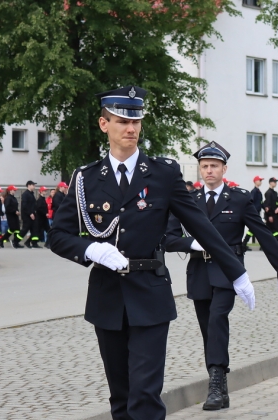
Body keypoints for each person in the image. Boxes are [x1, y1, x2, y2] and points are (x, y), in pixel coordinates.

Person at [49, 85, 251, 419]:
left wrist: (237, 271)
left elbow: (201, 225)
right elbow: (58, 235)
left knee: (145, 395)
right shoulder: (85, 178)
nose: (130, 129)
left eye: (136, 122)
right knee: (121, 396)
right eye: (121, 122)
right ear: (104, 125)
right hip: (107, 295)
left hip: (150, 291)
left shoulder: (162, 173)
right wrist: (92, 250)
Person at [163, 141, 278, 411]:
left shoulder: (239, 198)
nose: (209, 171)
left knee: (217, 320)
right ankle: (220, 386)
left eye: (214, 166)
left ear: (224, 168)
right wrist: (191, 244)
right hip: (198, 270)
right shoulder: (189, 200)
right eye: (204, 166)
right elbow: (169, 238)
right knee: (206, 328)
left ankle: (215, 381)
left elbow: (264, 235)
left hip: (227, 272)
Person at [264, 177, 278, 249]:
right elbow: (267, 205)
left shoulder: (274, 193)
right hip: (272, 215)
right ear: (270, 183)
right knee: (273, 230)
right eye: (274, 182)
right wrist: (269, 215)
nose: (275, 183)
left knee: (277, 230)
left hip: (276, 215)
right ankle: (276, 244)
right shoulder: (268, 193)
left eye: (276, 182)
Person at [19, 181, 40, 248]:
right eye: (33, 185)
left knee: (35, 229)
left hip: (32, 214)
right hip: (27, 215)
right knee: (25, 229)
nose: (34, 186)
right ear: (29, 185)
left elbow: (33, 205)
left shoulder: (31, 194)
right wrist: (30, 213)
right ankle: (16, 241)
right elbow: (25, 206)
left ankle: (33, 243)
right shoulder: (25, 194)